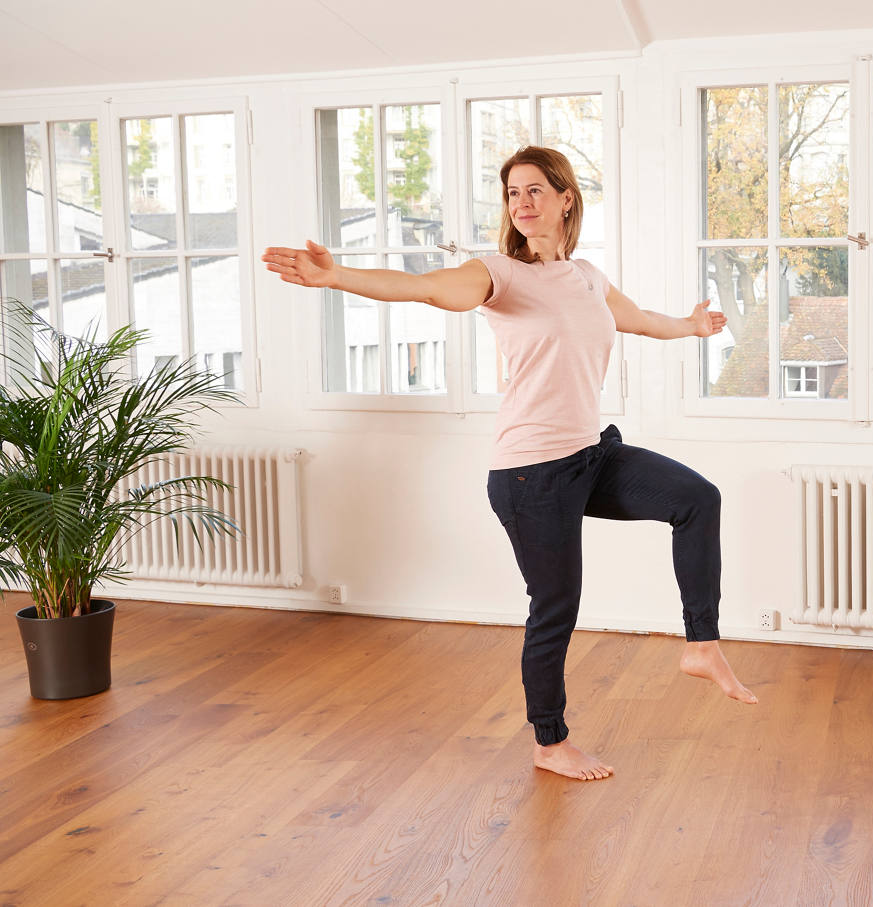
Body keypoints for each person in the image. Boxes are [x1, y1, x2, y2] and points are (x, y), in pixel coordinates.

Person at [262, 145, 756, 782]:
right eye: (512, 194)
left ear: (565, 199)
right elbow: (425, 289)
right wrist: (337, 277)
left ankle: (702, 645)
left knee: (696, 498)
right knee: (556, 606)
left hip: (591, 452)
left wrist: (692, 327)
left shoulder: (585, 277)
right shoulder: (498, 273)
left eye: (534, 192)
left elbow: (635, 320)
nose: (522, 205)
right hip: (532, 473)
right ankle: (549, 742)